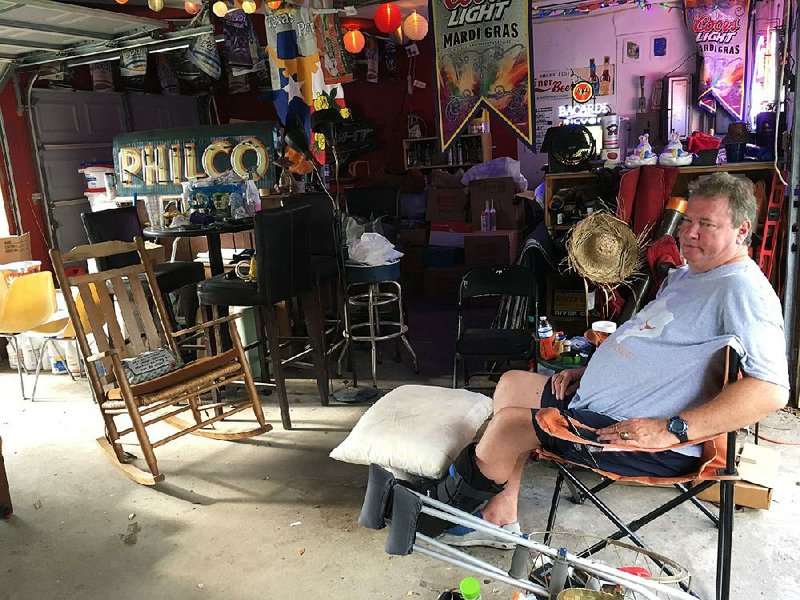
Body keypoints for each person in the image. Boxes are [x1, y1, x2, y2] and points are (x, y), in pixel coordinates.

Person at [396, 172, 790, 547]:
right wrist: (591, 371)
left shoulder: (742, 289)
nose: (689, 233)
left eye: (707, 224)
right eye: (687, 221)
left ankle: (438, 514)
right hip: (599, 404)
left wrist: (674, 429)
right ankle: (502, 516)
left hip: (635, 436)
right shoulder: (689, 276)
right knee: (513, 384)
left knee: (508, 426)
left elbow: (771, 390)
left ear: (741, 231)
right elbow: (654, 344)